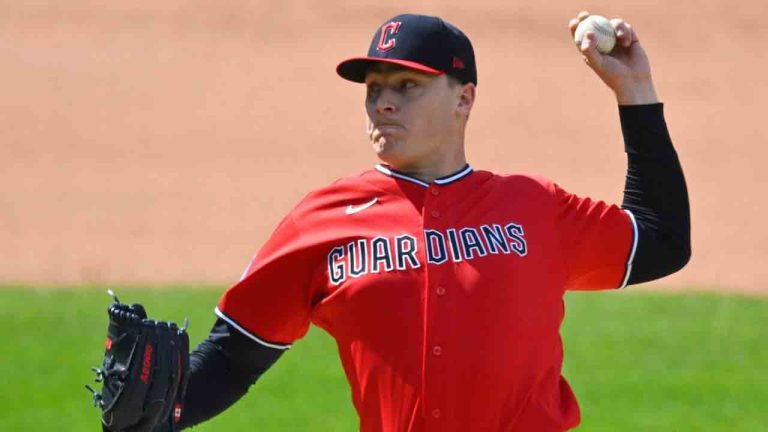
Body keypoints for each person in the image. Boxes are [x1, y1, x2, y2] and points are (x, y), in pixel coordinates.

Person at [175, 11, 690, 432]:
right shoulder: (321, 221)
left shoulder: (532, 206)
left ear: (463, 97)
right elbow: (234, 357)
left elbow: (661, 240)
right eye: (374, 89)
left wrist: (635, 89)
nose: (384, 103)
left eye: (407, 85)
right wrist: (158, 415)